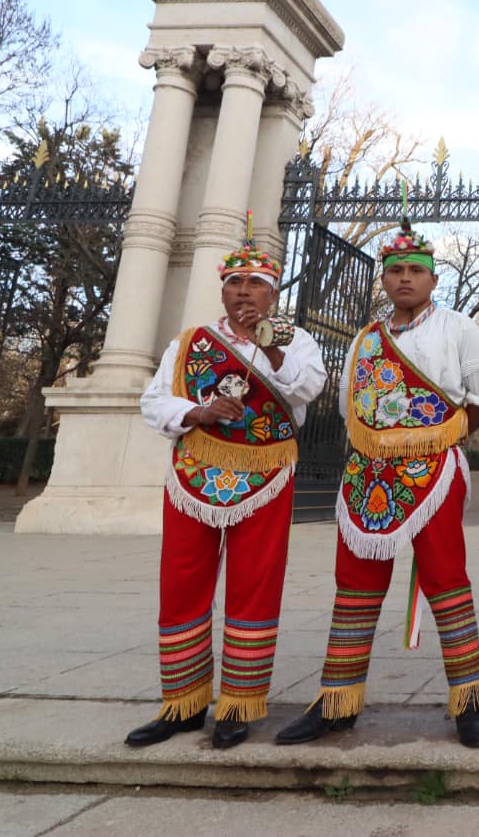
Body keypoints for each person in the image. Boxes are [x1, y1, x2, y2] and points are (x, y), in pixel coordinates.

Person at [276, 219, 479, 749]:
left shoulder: (457, 327)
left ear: (432, 280)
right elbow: (349, 408)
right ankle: (337, 700)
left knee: (448, 581)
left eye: (415, 271)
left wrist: (441, 440)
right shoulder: (364, 338)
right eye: (396, 271)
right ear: (383, 281)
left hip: (431, 474)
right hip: (367, 476)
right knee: (354, 586)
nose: (405, 279)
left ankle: (470, 701)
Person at [129, 229, 326, 750]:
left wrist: (272, 347)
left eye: (255, 283)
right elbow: (154, 401)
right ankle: (183, 703)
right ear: (221, 290)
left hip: (266, 473)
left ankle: (239, 704)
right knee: (181, 580)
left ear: (273, 294)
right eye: (235, 282)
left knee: (255, 583)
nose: (244, 292)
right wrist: (199, 412)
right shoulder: (190, 342)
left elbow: (308, 389)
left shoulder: (295, 340)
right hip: (197, 471)